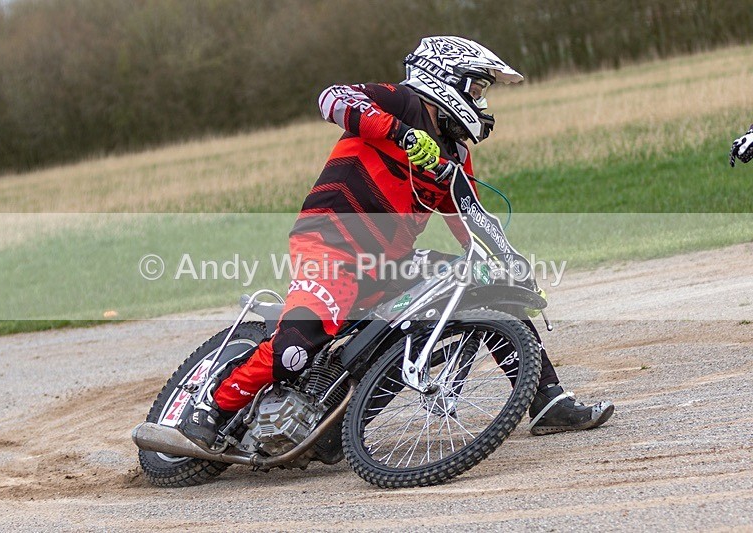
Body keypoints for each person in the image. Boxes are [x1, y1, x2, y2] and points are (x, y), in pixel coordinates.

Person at [180, 36, 614, 447]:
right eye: (477, 90)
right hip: (331, 244)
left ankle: (547, 400)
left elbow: (471, 219)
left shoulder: (455, 154)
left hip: (389, 262)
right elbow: (331, 98)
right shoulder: (401, 103)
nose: (481, 104)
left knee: (485, 283)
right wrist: (400, 133)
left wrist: (511, 265)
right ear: (444, 78)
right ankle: (209, 409)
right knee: (295, 348)